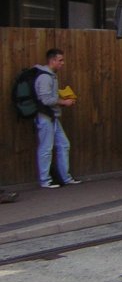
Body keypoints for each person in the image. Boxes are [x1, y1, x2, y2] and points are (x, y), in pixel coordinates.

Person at [34, 48, 81, 189]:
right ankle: (45, 180)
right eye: (60, 60)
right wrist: (63, 102)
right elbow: (45, 99)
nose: (62, 63)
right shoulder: (45, 77)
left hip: (52, 116)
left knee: (63, 144)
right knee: (46, 148)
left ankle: (65, 177)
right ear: (52, 60)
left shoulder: (51, 76)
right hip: (45, 117)